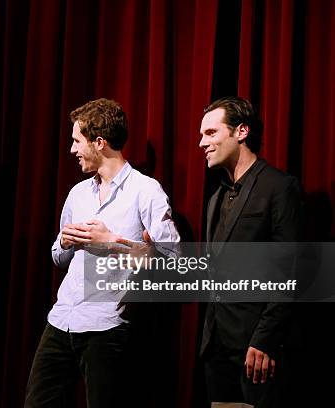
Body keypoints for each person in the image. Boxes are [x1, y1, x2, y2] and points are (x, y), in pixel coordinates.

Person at [24, 98, 180, 408]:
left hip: (107, 327)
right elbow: (58, 258)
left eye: (76, 141)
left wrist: (110, 242)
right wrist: (64, 243)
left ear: (99, 142)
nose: (72, 150)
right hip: (62, 319)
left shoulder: (145, 191)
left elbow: (172, 262)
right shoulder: (78, 193)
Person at [198, 96, 302, 407]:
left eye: (211, 133)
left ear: (241, 132)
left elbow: (291, 272)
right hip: (216, 346)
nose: (201, 142)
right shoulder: (216, 197)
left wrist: (265, 340)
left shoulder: (279, 187)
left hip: (257, 351)